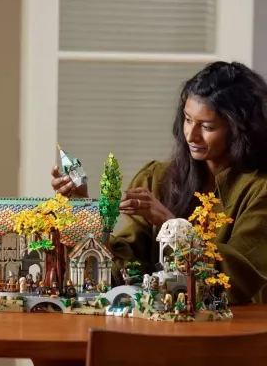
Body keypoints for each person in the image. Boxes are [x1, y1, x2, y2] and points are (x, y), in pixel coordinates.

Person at [51, 61, 267, 305]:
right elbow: (123, 271)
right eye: (188, 120)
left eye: (207, 126)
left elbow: (237, 282)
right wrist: (84, 212)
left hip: (234, 326)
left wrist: (170, 225)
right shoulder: (156, 179)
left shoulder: (260, 191)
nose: (191, 135)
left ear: (240, 129)